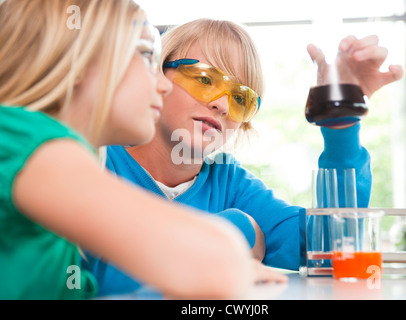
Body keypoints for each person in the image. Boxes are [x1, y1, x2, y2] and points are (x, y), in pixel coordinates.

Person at [83, 18, 404, 295]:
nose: (221, 106)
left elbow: (335, 245)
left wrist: (341, 119)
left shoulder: (229, 181)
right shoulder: (92, 161)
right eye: (205, 79)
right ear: (157, 76)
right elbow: (96, 283)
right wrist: (237, 228)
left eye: (240, 98)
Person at [0, 0, 286, 300]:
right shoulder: (23, 137)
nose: (162, 85)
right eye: (148, 56)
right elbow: (215, 263)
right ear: (77, 59)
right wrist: (241, 228)